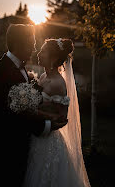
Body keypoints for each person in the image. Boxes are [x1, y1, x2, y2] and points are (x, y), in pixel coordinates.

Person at [0, 24, 67, 187]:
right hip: (7, 149)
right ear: (19, 44)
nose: (34, 48)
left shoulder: (23, 71)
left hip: (24, 148)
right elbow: (10, 114)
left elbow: (29, 105)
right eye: (32, 43)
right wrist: (47, 124)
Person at [23, 38, 91, 187]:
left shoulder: (58, 84)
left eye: (43, 51)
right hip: (38, 135)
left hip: (50, 141)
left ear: (53, 58)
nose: (38, 53)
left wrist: (35, 112)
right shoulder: (43, 77)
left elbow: (62, 117)